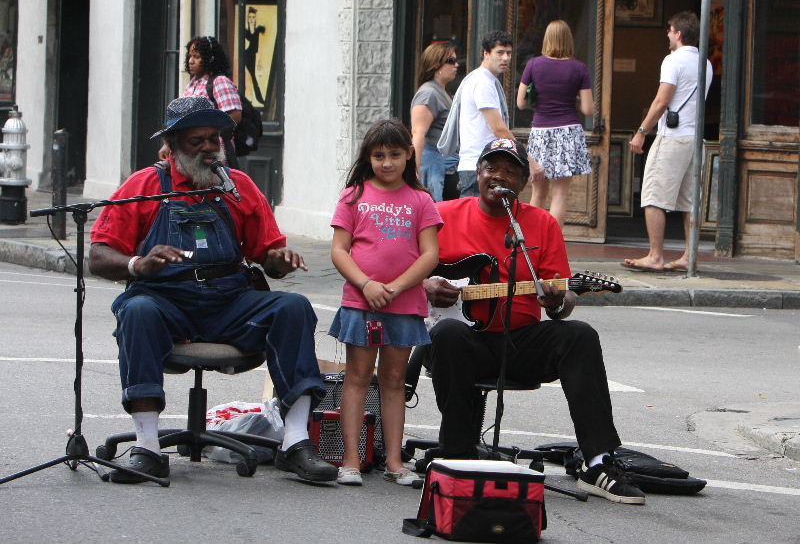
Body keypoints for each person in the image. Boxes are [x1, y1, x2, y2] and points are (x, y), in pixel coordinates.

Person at [89, 96, 337, 484]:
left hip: (229, 302)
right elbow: (99, 256)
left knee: (293, 308)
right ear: (172, 146)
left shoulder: (239, 188)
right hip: (165, 302)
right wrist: (139, 264)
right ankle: (148, 447)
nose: (208, 147)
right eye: (196, 141)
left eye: (214, 139)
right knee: (136, 310)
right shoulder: (145, 186)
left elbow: (266, 255)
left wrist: (280, 261)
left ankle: (295, 442)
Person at [423, 137, 646, 505]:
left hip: (521, 341)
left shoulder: (540, 224)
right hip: (460, 342)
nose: (499, 177)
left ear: (523, 184)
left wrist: (558, 301)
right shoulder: (443, 213)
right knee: (448, 331)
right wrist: (426, 284)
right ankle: (456, 456)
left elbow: (565, 300)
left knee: (579, 336)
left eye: (510, 172)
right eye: (492, 168)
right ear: (477, 174)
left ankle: (597, 461)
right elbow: (404, 270)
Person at [329, 119, 442, 487]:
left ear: (409, 155)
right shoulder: (353, 196)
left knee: (394, 381)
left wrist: (393, 287)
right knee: (358, 378)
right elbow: (339, 250)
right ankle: (350, 459)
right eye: (379, 156)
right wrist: (366, 284)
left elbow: (429, 255)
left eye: (395, 154)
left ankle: (395, 461)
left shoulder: (421, 200)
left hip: (404, 306)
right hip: (361, 304)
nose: (388, 163)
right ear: (368, 158)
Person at [623, 11, 713, 273]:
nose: (668, 34)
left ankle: (655, 255)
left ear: (679, 34)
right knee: (688, 200)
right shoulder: (705, 63)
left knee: (653, 196)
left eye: (670, 30)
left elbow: (662, 101)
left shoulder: (672, 60)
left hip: (672, 137)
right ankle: (687, 255)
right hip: (694, 137)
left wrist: (642, 131)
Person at [516, 20, 594, 227]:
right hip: (568, 130)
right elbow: (588, 110)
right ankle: (554, 243)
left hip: (541, 130)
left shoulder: (533, 65)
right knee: (560, 194)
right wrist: (575, 99)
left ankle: (531, 241)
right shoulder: (579, 68)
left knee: (538, 193)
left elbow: (521, 102)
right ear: (569, 40)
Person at [439, 31, 519, 198]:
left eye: (509, 53)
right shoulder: (483, 82)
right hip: (478, 165)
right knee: (472, 220)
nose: (505, 58)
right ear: (486, 53)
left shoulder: (484, 80)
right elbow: (499, 129)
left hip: (481, 164)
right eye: (500, 52)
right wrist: (525, 159)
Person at [158, 36, 242, 168]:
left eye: (196, 57)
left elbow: (235, 115)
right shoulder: (192, 84)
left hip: (214, 153)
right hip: (191, 153)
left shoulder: (219, 81)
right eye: (190, 56)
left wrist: (208, 131)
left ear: (210, 59)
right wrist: (168, 145)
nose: (191, 61)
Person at [410, 42, 460, 202]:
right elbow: (418, 133)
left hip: (446, 168)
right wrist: (415, 172)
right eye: (451, 61)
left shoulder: (441, 91)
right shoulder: (428, 93)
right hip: (432, 168)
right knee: (434, 218)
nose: (456, 65)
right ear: (436, 65)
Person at [245, 7, 266, 106]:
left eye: (253, 17)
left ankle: (257, 99)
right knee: (251, 77)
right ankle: (257, 98)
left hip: (253, 55)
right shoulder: (246, 31)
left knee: (253, 76)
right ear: (247, 19)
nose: (252, 19)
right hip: (247, 55)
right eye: (250, 17)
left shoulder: (257, 30)